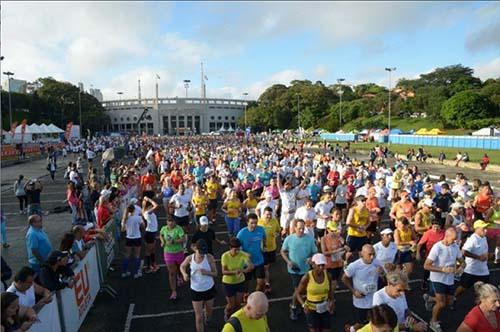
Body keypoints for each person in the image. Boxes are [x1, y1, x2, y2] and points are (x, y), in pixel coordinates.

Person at [423, 227, 464, 332]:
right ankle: (433, 321)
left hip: (449, 279)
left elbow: (462, 261)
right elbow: (426, 266)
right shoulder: (437, 247)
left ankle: (429, 299)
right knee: (441, 303)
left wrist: (460, 268)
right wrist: (442, 269)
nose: (455, 241)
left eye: (455, 239)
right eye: (453, 239)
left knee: (449, 302)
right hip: (437, 279)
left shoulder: (455, 246)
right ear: (446, 236)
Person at [281, 219, 317, 320]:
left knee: (303, 290)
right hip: (294, 270)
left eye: (303, 228)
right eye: (299, 228)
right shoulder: (289, 239)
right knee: (297, 290)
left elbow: (314, 252)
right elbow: (283, 251)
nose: (301, 230)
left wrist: (311, 258)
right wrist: (288, 261)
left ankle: (298, 304)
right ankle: (293, 307)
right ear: (295, 228)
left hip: (306, 269)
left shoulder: (309, 239)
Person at [341, 244, 383, 329]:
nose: (372, 257)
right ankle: (351, 329)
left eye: (373, 254)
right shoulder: (354, 266)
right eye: (369, 254)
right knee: (361, 324)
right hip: (360, 302)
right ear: (362, 254)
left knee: (374, 324)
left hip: (374, 301)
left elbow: (385, 276)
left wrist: (382, 273)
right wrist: (354, 291)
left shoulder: (377, 262)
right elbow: (344, 278)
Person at [180, 239, 218, 332]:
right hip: (196, 290)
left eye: (203, 252)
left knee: (209, 311)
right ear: (195, 248)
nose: (202, 254)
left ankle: (208, 318)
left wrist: (207, 272)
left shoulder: (209, 257)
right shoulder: (190, 258)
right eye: (200, 252)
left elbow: (215, 273)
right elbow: (182, 266)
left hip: (209, 288)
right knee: (199, 317)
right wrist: (184, 274)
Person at [294, 253, 335, 332]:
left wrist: (332, 301)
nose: (321, 267)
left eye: (323, 265)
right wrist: (303, 305)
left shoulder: (328, 276)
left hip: (325, 308)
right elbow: (298, 293)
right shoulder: (307, 277)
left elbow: (330, 290)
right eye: (319, 265)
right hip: (311, 309)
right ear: (313, 265)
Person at [454, 220, 490, 300]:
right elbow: (463, 252)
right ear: (477, 229)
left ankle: (481, 305)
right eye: (483, 228)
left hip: (483, 270)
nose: (486, 230)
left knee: (486, 290)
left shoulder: (484, 238)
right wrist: (478, 257)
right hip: (471, 270)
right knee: (463, 288)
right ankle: (453, 298)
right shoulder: (472, 239)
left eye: (486, 228)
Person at [221, 238, 254, 321]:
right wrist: (235, 272)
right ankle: (227, 313)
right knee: (231, 305)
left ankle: (234, 319)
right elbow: (224, 271)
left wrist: (243, 270)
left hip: (240, 282)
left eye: (238, 249)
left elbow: (251, 266)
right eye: (235, 250)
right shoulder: (225, 256)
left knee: (238, 304)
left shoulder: (242, 254)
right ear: (230, 248)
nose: (237, 252)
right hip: (228, 283)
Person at [237, 213, 266, 293]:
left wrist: (264, 246)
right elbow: (236, 248)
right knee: (246, 283)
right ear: (247, 222)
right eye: (252, 223)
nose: (254, 225)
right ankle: (246, 295)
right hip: (247, 263)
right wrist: (244, 254)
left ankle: (256, 296)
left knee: (261, 283)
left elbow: (264, 238)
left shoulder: (261, 229)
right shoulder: (241, 233)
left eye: (256, 223)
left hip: (259, 260)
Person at [160, 217, 187, 300]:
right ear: (166, 221)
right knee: (171, 273)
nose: (170, 223)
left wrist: (174, 241)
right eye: (169, 221)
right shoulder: (164, 228)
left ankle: (179, 276)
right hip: (168, 253)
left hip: (179, 252)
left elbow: (183, 239)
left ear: (175, 222)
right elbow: (161, 234)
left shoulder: (179, 229)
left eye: (172, 221)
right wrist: (163, 241)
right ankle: (174, 291)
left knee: (179, 268)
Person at [417, 218, 445, 291]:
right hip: (429, 255)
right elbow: (420, 244)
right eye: (434, 226)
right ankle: (425, 282)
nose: (435, 228)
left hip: (440, 255)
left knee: (438, 269)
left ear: (441, 226)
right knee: (427, 269)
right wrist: (418, 253)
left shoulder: (443, 233)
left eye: (437, 226)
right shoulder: (428, 233)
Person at [257, 207, 281, 294]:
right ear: (263, 214)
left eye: (270, 214)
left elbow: (278, 231)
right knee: (265, 267)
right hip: (262, 248)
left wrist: (277, 234)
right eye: (267, 214)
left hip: (272, 248)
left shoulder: (274, 221)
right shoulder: (259, 222)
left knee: (268, 266)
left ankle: (265, 280)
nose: (269, 216)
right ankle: (266, 284)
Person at [321, 220, 348, 291]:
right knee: (333, 281)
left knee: (335, 280)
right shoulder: (324, 239)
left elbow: (346, 248)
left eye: (335, 230)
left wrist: (344, 245)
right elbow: (324, 252)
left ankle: (331, 292)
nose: (334, 232)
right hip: (329, 264)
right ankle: (331, 297)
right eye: (332, 231)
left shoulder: (339, 237)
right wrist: (334, 251)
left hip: (338, 263)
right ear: (328, 229)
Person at [121, 204, 145, 279]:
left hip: (129, 238)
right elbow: (143, 226)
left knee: (127, 255)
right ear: (134, 210)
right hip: (137, 237)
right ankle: (136, 272)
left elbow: (122, 229)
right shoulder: (138, 218)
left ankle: (125, 272)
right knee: (137, 255)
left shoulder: (125, 218)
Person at [142, 196, 160, 273]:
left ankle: (153, 264)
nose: (152, 207)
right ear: (148, 207)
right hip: (150, 233)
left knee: (152, 250)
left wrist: (145, 201)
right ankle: (148, 267)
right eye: (150, 206)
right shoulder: (148, 212)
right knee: (148, 251)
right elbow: (156, 205)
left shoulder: (146, 212)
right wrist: (148, 199)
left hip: (152, 233)